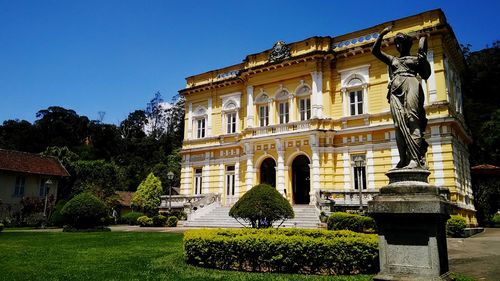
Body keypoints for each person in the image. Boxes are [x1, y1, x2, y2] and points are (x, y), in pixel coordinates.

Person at [372, 26, 431, 169]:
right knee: (398, 125)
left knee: (412, 119)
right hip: (395, 91)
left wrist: (423, 59)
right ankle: (403, 160)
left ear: (408, 44)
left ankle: (415, 160)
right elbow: (375, 51)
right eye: (396, 43)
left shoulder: (415, 59)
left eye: (401, 42)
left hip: (411, 84)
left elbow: (426, 74)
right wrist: (381, 35)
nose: (398, 46)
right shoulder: (392, 60)